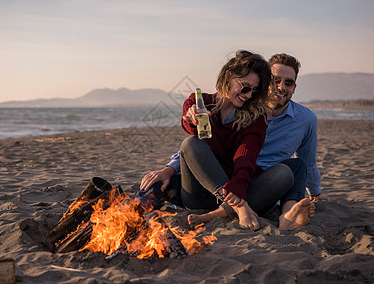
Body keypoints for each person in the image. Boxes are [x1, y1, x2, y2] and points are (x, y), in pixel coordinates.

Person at [137, 52, 321, 230]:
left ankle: (233, 212)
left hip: (243, 185)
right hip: (207, 188)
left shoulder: (256, 117)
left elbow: (246, 155)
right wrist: (169, 167)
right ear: (229, 76)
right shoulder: (202, 102)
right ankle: (131, 213)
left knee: (288, 170)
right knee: (184, 150)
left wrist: (316, 193)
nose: (249, 95)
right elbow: (196, 147)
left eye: (254, 91)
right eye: (246, 87)